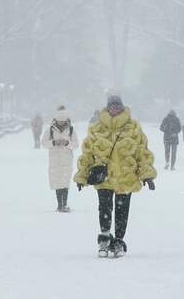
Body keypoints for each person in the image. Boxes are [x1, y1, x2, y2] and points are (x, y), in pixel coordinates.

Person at [75, 92, 156, 257]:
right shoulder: (96, 128)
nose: (115, 108)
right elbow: (87, 154)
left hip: (126, 177)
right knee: (104, 208)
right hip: (103, 177)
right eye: (112, 105)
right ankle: (104, 239)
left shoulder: (133, 128)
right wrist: (82, 175)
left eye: (118, 105)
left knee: (122, 211)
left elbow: (142, 152)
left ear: (122, 107)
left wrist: (147, 174)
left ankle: (118, 241)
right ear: (107, 107)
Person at [42, 106, 79, 212]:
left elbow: (76, 144)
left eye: (63, 121)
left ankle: (65, 204)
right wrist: (54, 142)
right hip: (54, 159)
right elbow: (44, 143)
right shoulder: (50, 129)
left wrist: (67, 143)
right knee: (57, 181)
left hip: (67, 159)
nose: (61, 123)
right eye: (59, 121)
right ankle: (60, 205)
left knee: (65, 181)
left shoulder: (71, 129)